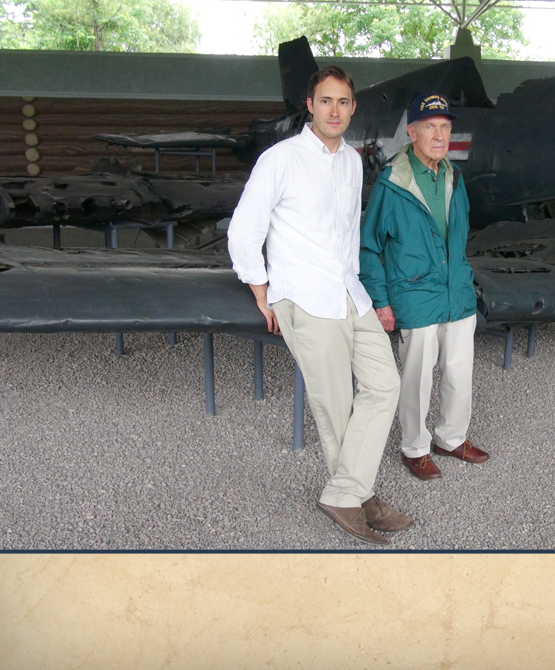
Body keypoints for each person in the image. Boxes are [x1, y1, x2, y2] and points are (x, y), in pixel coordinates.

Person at [227, 66, 411, 546]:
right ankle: (356, 496)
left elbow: (347, 235)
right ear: (310, 106)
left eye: (343, 102)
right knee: (336, 405)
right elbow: (244, 230)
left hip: (348, 291)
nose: (334, 110)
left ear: (353, 108)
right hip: (305, 295)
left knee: (384, 384)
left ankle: (348, 491)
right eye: (325, 101)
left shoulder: (351, 161)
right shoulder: (280, 159)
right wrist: (261, 288)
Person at [360, 92, 490, 481]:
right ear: (412, 132)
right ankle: (414, 448)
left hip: (456, 292)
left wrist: (462, 277)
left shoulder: (453, 176)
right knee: (417, 377)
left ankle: (451, 438)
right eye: (429, 127)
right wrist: (381, 301)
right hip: (414, 296)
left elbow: (459, 234)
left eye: (445, 127)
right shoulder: (393, 182)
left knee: (459, 372)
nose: (439, 135)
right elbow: (369, 247)